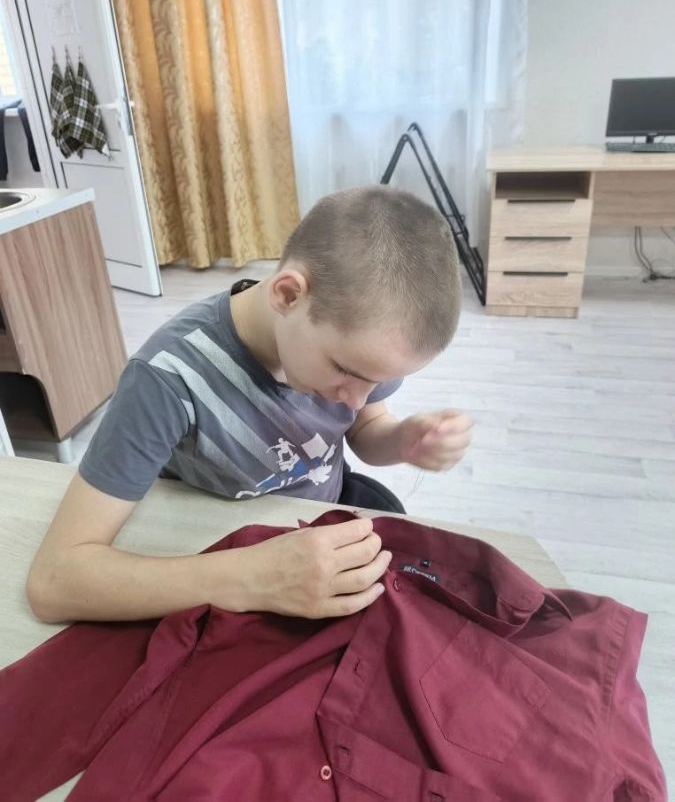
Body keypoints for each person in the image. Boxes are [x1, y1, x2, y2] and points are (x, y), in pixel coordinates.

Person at [26, 186, 472, 626]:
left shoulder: (358, 350)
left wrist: (400, 441)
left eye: (374, 381)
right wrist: (254, 576)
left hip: (322, 519)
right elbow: (54, 581)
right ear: (288, 295)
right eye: (344, 370)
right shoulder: (168, 379)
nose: (356, 398)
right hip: (213, 550)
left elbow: (364, 427)